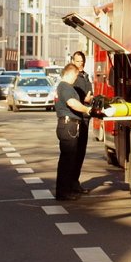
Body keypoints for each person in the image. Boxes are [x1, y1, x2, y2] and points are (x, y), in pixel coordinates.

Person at [54, 63, 93, 200]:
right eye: (76, 75)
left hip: (68, 125)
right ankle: (63, 192)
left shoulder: (64, 87)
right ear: (70, 73)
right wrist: (87, 109)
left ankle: (67, 189)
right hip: (68, 125)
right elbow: (71, 103)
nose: (76, 79)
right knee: (67, 160)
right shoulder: (65, 86)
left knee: (69, 160)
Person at [71, 51, 93, 194]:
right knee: (74, 153)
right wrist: (85, 99)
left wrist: (90, 97)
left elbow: (90, 92)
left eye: (82, 61)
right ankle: (71, 183)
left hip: (85, 117)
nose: (80, 64)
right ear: (73, 61)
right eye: (78, 61)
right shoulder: (73, 78)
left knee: (81, 152)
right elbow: (76, 97)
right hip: (77, 118)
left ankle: (75, 182)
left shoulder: (85, 76)